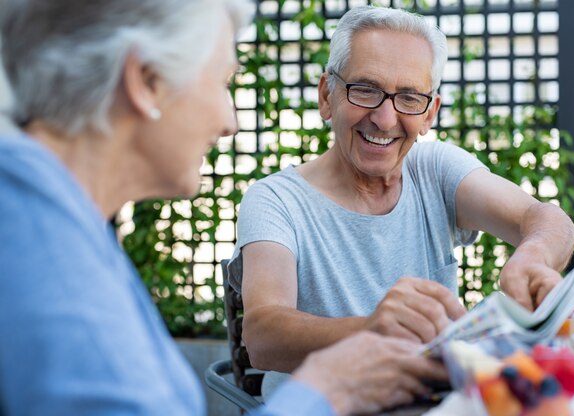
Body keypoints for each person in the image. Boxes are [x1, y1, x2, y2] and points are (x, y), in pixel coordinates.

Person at [0, 1, 447, 415]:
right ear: (147, 80)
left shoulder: (54, 221)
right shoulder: (53, 274)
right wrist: (328, 391)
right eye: (221, 81)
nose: (229, 121)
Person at [228, 5, 574, 394]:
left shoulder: (434, 169)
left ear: (430, 113)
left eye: (410, 98)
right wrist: (370, 330)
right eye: (365, 89)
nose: (384, 118)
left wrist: (533, 256)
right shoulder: (276, 199)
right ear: (327, 95)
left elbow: (548, 221)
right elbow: (262, 335)